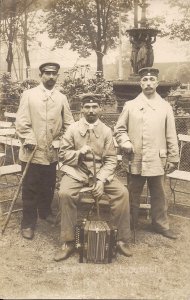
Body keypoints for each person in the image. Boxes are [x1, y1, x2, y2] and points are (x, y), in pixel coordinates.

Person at [54, 94, 132, 261]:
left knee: (122, 193)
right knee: (65, 193)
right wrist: (77, 153)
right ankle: (68, 242)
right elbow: (62, 154)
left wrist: (101, 180)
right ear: (82, 109)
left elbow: (111, 159)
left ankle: (120, 240)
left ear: (100, 109)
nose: (91, 111)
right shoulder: (73, 128)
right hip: (76, 171)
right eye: (87, 107)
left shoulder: (106, 130)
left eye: (94, 107)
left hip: (100, 173)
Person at [114, 67, 179, 240]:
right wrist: (125, 141)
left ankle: (160, 224)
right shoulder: (130, 106)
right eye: (144, 80)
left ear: (157, 83)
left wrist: (173, 156)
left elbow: (171, 133)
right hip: (135, 157)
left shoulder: (165, 107)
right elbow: (119, 129)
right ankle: (130, 223)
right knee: (132, 192)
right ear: (140, 83)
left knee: (159, 194)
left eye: (152, 80)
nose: (148, 83)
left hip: (158, 158)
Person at [16, 62, 74, 240]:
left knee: (48, 185)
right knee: (30, 188)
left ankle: (45, 212)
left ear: (57, 76)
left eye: (54, 74)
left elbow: (70, 124)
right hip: (31, 151)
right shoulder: (29, 95)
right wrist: (28, 137)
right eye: (47, 73)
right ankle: (28, 223)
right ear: (41, 75)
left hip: (52, 152)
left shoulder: (61, 98)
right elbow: (21, 122)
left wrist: (63, 141)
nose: (51, 77)